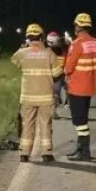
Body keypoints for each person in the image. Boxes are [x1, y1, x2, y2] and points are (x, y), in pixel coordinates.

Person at [10, 23, 64, 163]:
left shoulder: (22, 53)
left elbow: (14, 60)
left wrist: (23, 47)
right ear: (42, 37)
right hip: (45, 97)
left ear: (28, 37)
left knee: (27, 124)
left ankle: (24, 154)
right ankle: (46, 154)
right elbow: (58, 74)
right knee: (45, 124)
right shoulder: (49, 53)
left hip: (27, 97)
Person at [64, 13, 96, 161]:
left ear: (79, 26)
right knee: (83, 118)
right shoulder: (95, 43)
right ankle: (80, 149)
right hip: (90, 86)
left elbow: (69, 66)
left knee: (79, 121)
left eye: (75, 25)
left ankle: (84, 151)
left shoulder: (78, 43)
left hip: (77, 86)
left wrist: (66, 72)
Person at [47, 31, 68, 119]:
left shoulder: (46, 51)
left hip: (49, 75)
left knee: (53, 94)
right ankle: (54, 111)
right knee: (57, 94)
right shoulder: (63, 50)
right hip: (60, 75)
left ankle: (52, 111)